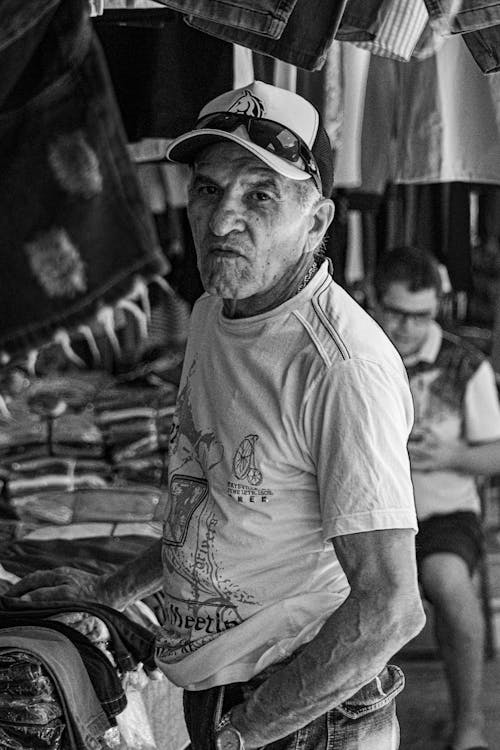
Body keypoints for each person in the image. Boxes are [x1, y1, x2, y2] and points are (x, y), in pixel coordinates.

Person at [7, 81, 425, 750]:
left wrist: (244, 736)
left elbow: (390, 609)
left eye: (261, 195)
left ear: (316, 221)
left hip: (305, 715)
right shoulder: (213, 310)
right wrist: (109, 590)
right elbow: (216, 503)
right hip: (228, 698)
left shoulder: (341, 368)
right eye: (208, 191)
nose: (223, 218)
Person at [374, 246, 500, 750]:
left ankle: (469, 724)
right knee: (333, 591)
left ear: (438, 308)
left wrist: (450, 454)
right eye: (396, 312)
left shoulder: (465, 365)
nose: (407, 327)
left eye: (421, 315)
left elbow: (495, 455)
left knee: (448, 581)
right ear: (373, 300)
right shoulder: (355, 355)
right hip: (370, 513)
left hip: (442, 513)